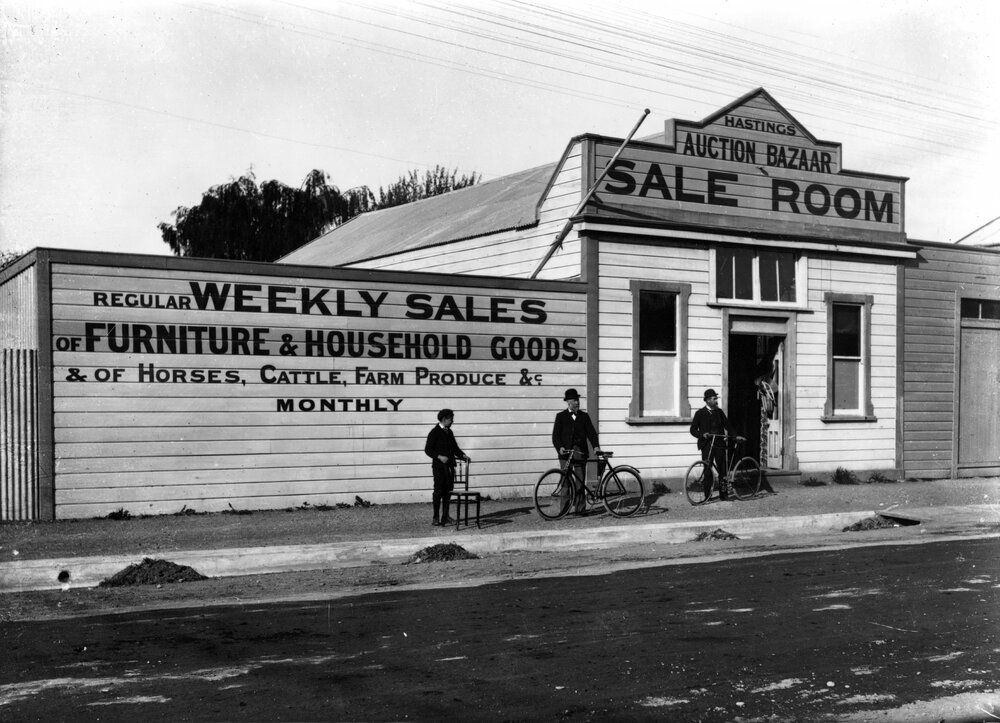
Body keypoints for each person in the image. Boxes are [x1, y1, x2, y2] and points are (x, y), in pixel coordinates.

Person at [551, 388, 601, 512]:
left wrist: (595, 446)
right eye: (574, 400)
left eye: (577, 400)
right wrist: (560, 448)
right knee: (565, 482)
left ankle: (580, 509)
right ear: (568, 402)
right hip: (565, 454)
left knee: (580, 481)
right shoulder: (561, 416)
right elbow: (555, 436)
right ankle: (564, 510)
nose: (577, 402)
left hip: (580, 453)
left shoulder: (584, 416)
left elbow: (591, 433)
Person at [689, 388, 743, 501]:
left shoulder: (719, 412)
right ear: (708, 400)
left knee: (722, 469)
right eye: (714, 399)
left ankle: (724, 494)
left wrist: (735, 435)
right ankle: (707, 496)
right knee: (707, 470)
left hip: (719, 444)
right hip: (707, 445)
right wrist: (702, 435)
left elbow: (728, 425)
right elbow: (693, 430)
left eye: (716, 398)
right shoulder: (700, 413)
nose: (716, 400)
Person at [424, 408, 470, 526]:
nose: (452, 421)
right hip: (439, 467)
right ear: (444, 419)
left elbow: (455, 448)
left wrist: (463, 455)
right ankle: (435, 517)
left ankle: (446, 516)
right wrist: (439, 456)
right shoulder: (434, 432)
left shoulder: (450, 432)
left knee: (448, 491)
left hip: (449, 467)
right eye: (451, 419)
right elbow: (428, 449)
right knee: (438, 491)